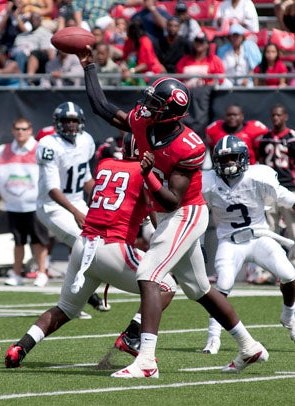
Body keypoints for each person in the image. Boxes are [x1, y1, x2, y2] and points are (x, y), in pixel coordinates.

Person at [75, 48, 269, 378]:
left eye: (154, 104)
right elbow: (101, 107)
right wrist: (89, 65)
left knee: (149, 274)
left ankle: (146, 360)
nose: (146, 107)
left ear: (170, 113)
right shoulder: (141, 120)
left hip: (186, 212)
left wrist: (147, 171)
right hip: (168, 214)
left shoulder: (189, 146)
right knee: (198, 290)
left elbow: (171, 201)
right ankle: (250, 346)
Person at [4, 132, 177, 368]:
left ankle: (19, 348)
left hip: (83, 246)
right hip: (112, 247)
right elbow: (155, 213)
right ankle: (132, 335)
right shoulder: (144, 173)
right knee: (166, 286)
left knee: (64, 308)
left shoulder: (105, 165)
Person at [201, 135, 295, 354]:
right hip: (230, 242)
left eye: (232, 159)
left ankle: (289, 315)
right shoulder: (208, 182)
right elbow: (196, 209)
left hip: (259, 237)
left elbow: (283, 196)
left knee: (290, 274)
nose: (227, 164)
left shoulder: (257, 176)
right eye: (223, 160)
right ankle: (213, 337)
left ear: (242, 158)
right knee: (222, 285)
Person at [35, 101, 108, 315]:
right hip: (52, 207)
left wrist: (103, 197)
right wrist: (76, 213)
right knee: (82, 242)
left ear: (81, 123)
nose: (70, 125)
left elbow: (84, 177)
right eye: (66, 121)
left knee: (99, 242)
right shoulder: (48, 145)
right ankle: (73, 300)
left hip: (77, 201)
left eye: (74, 121)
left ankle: (83, 293)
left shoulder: (85, 141)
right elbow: (52, 189)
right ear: (57, 123)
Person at [0, 117, 50, 287]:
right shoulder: (3, 151)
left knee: (38, 241)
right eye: (17, 129)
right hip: (13, 206)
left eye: (24, 129)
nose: (20, 132)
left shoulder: (39, 149)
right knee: (18, 241)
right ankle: (17, 273)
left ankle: (42, 273)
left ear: (30, 130)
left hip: (35, 205)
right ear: (12, 131)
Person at [258, 104, 295, 264]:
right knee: (269, 230)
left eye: (279, 115)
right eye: (273, 115)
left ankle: (293, 264)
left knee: (293, 228)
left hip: (289, 187)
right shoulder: (264, 138)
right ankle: (271, 267)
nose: (275, 118)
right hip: (270, 189)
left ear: (285, 117)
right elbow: (260, 162)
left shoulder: (292, 137)